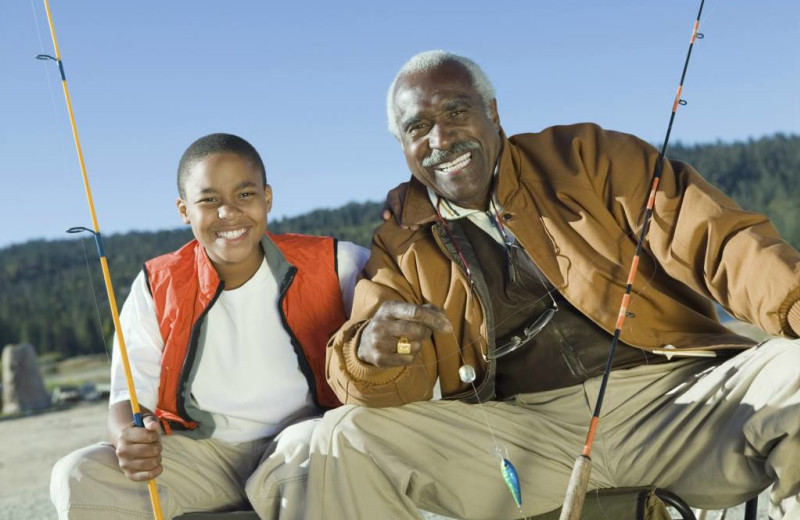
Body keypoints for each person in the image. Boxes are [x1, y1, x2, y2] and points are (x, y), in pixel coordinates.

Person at [309, 51, 800, 519]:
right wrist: (370, 357)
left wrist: (794, 301)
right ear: (402, 146)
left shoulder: (588, 157)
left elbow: (719, 241)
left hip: (679, 408)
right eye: (418, 127)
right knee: (337, 440)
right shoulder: (398, 241)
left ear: (494, 113)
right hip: (526, 441)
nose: (441, 138)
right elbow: (367, 366)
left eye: (456, 111)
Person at [50, 133, 369, 520]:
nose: (228, 212)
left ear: (267, 198)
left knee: (327, 442)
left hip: (302, 450)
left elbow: (386, 314)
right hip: (203, 457)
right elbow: (128, 397)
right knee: (78, 474)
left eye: (245, 194)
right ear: (184, 210)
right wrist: (128, 439)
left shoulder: (337, 262)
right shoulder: (157, 283)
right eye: (209, 200)